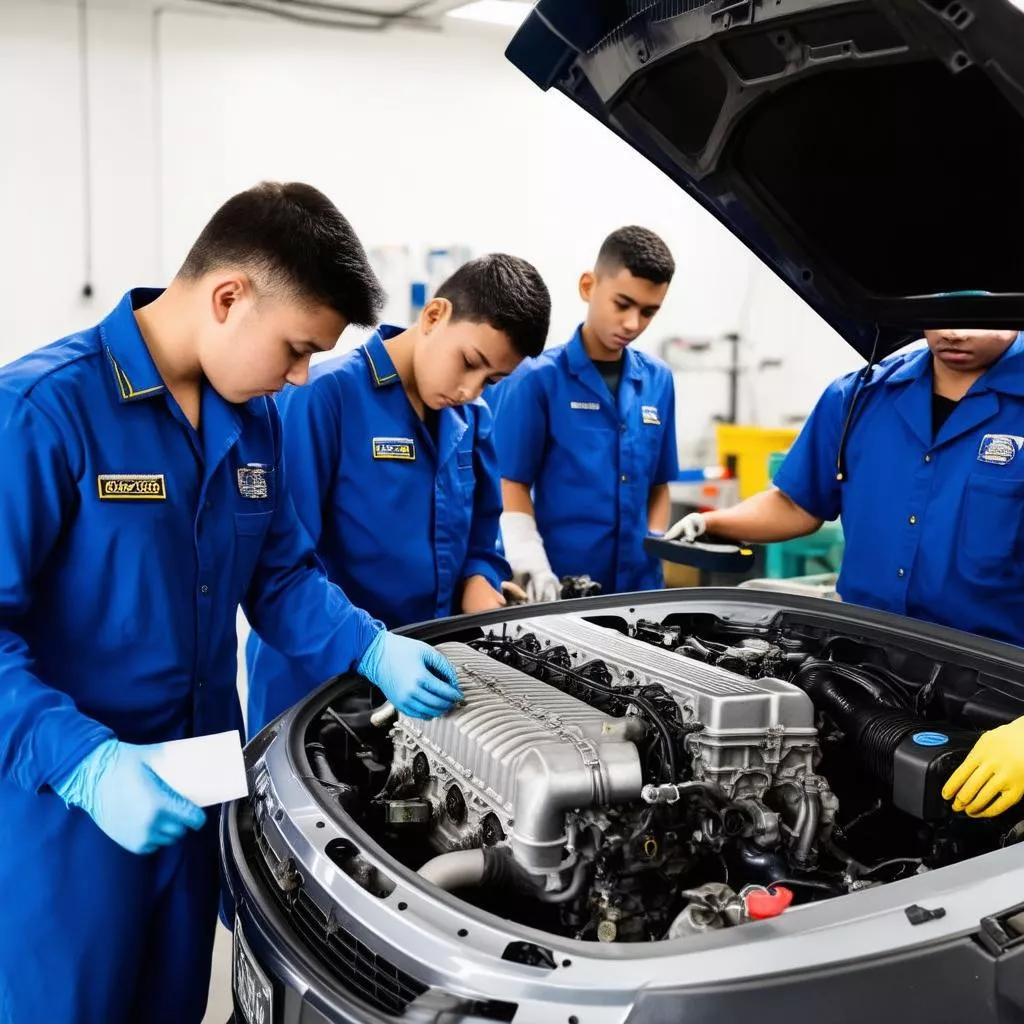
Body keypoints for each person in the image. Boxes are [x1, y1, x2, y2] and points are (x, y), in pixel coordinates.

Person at [0, 181, 463, 1024]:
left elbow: (281, 578)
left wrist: (370, 648)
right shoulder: (41, 411)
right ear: (227, 297)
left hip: (197, 795)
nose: (296, 377)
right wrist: (83, 764)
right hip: (65, 810)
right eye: (293, 349)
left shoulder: (253, 426)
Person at [666, 326, 1024, 819]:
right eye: (942, 310)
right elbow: (797, 502)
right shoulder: (858, 397)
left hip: (996, 698)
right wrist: (714, 522)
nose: (955, 331)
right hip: (860, 664)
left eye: (975, 314)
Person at [245, 253, 551, 738]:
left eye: (490, 380)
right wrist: (371, 649)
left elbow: (481, 544)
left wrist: (478, 580)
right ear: (434, 316)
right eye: (470, 363)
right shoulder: (323, 397)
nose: (471, 390)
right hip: (314, 687)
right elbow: (281, 569)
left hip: (426, 683)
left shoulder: (474, 421)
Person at [493, 226, 679, 600]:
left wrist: (659, 539)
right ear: (587, 286)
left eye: (648, 312)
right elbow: (510, 481)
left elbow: (659, 486)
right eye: (622, 304)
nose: (633, 324)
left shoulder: (659, 380)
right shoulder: (537, 378)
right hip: (561, 588)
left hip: (641, 588)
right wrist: (532, 563)